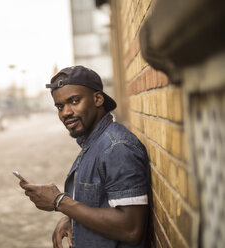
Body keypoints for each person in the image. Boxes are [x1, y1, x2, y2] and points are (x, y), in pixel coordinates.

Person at [19, 65, 150, 248]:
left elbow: (130, 228)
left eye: (74, 101)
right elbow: (100, 205)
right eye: (60, 106)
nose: (65, 112)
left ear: (97, 99)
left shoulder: (116, 147)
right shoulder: (93, 143)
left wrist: (60, 202)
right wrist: (73, 220)